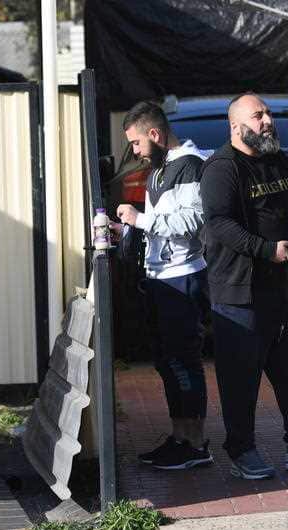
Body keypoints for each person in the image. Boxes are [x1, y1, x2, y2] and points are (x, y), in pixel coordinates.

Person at [199, 93, 288, 480]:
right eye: (258, 115)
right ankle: (241, 449)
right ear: (236, 126)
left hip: (284, 287)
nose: (268, 120)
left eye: (267, 113)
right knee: (241, 379)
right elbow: (219, 223)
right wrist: (267, 250)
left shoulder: (276, 158)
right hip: (239, 292)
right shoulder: (222, 168)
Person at [116, 101, 212, 470]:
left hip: (182, 276)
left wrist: (138, 219)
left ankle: (196, 443)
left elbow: (190, 220)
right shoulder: (161, 168)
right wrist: (127, 229)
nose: (135, 152)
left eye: (137, 143)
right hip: (160, 275)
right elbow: (161, 222)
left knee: (183, 361)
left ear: (154, 134)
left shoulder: (190, 165)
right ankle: (180, 437)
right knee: (167, 362)